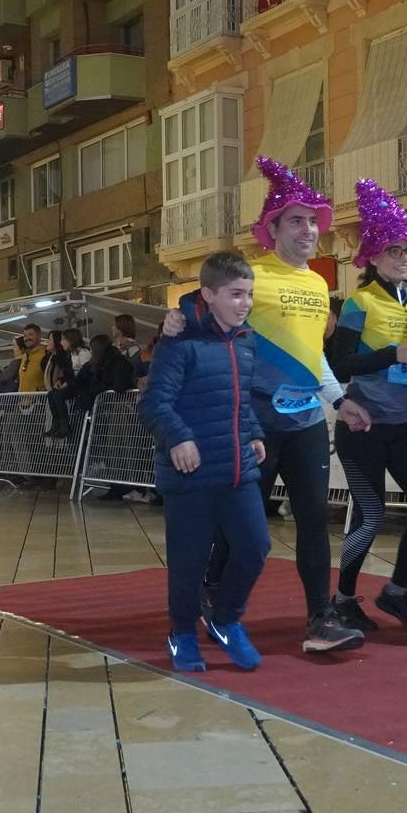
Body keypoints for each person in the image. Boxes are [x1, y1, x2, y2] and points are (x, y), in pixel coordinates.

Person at [164, 156, 370, 655]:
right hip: (252, 420)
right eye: (295, 220)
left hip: (304, 421)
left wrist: (339, 400)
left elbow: (312, 354)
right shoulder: (253, 275)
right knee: (240, 524)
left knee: (312, 517)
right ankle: (210, 594)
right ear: (272, 227)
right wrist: (176, 320)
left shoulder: (321, 284)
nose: (307, 229)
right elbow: (199, 305)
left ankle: (320, 619)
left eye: (312, 221)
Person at [140, 252, 270, 672]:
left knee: (255, 547)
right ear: (209, 294)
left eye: (248, 294)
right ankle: (181, 633)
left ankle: (225, 618)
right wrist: (179, 438)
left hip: (237, 470)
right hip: (190, 476)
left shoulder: (246, 340)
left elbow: (239, 399)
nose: (244, 303)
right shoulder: (178, 341)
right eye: (235, 294)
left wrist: (253, 434)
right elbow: (154, 403)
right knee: (189, 561)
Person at [329, 180, 407, 634]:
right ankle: (341, 598)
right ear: (373, 256)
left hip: (403, 423)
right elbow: (340, 363)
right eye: (394, 250)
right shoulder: (359, 302)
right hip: (363, 425)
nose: (403, 257)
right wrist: (392, 355)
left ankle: (395, 590)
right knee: (371, 514)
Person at [47, 328, 90, 439]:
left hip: (82, 386)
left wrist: (68, 383)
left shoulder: (84, 353)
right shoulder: (69, 355)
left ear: (70, 340)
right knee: (51, 394)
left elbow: (85, 373)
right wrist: (60, 381)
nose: (61, 343)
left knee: (58, 395)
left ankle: (65, 424)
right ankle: (57, 422)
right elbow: (68, 373)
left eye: (63, 339)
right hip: (73, 385)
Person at [17, 324, 49, 393]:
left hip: (39, 401)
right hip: (22, 401)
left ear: (39, 335)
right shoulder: (25, 355)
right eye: (25, 336)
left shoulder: (46, 354)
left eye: (30, 334)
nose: (27, 338)